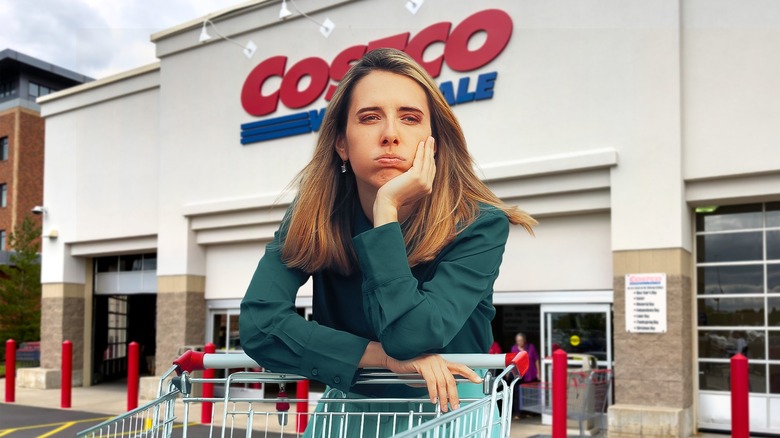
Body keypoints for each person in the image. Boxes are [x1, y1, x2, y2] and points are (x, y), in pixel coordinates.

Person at [239, 48, 536, 436]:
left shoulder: (478, 223)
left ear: (434, 142)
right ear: (342, 143)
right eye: (369, 117)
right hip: (350, 411)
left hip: (450, 411)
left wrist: (386, 210)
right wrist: (378, 357)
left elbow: (413, 335)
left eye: (410, 118)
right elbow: (259, 325)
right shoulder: (314, 213)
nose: (390, 134)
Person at [510, 332, 540, 419]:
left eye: (521, 340)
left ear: (524, 340)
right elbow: (512, 361)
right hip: (519, 375)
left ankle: (530, 412)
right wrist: (509, 373)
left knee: (530, 394)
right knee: (517, 394)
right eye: (518, 341)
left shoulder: (531, 347)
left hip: (530, 374)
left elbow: (536, 360)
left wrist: (539, 372)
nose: (519, 342)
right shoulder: (514, 348)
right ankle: (518, 413)